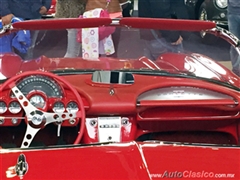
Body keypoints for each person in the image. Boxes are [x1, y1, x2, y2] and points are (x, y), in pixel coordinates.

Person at [227, 0, 240, 76]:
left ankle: (237, 69)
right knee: (233, 42)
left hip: (232, 12)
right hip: (232, 12)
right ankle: (235, 69)